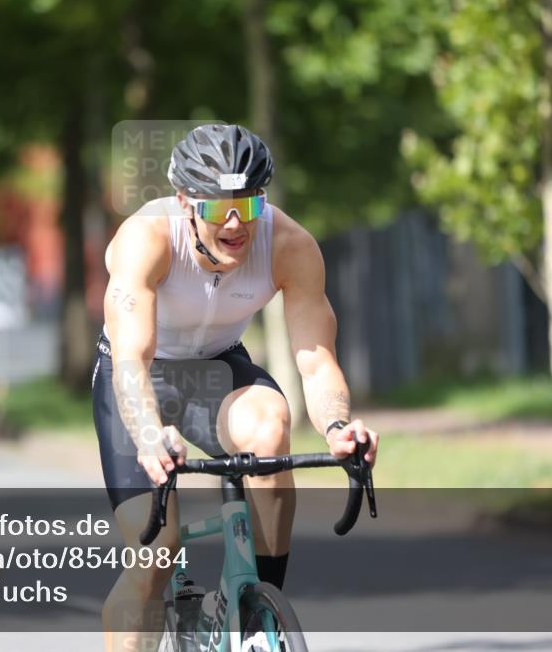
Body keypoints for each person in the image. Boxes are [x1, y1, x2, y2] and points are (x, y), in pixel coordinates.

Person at [93, 123, 379, 651]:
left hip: (218, 368)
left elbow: (317, 363)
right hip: (137, 377)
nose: (234, 223)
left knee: (270, 427)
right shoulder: (146, 238)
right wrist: (150, 434)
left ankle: (255, 613)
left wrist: (338, 426)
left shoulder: (289, 244)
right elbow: (132, 361)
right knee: (155, 555)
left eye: (247, 205)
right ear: (184, 201)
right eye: (217, 207)